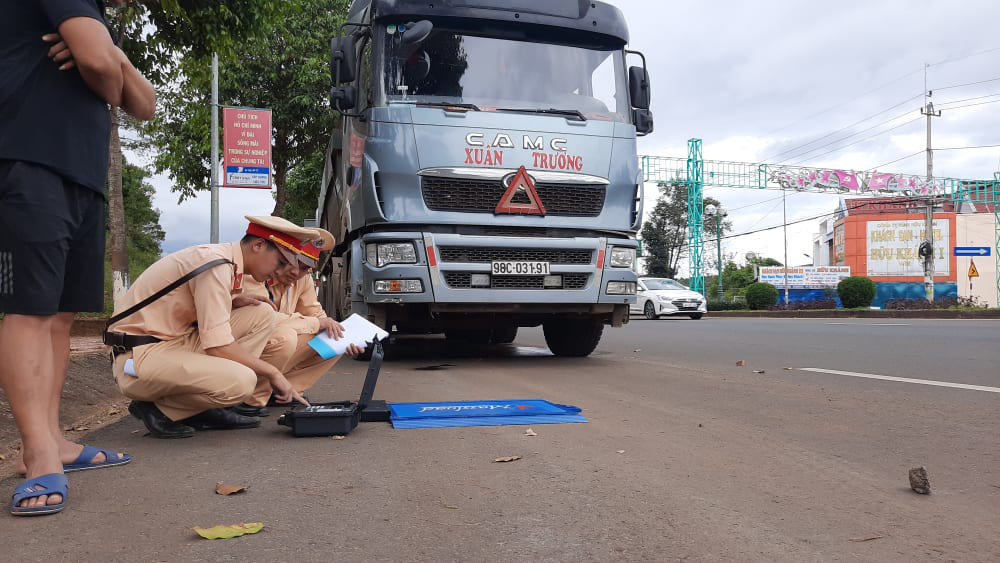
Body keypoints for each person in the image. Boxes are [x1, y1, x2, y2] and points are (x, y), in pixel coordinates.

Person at [0, 0, 155, 516]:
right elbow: (99, 70)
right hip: (28, 161)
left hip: (82, 176)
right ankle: (39, 452)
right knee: (30, 309)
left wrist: (115, 58)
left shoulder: (90, 11)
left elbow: (146, 104)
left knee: (62, 316)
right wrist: (106, 64)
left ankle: (54, 440)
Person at [107, 216, 319, 442]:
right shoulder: (216, 266)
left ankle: (202, 407)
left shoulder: (224, 261)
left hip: (167, 343)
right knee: (241, 381)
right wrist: (273, 373)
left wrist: (231, 302)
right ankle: (161, 411)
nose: (281, 271)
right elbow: (218, 346)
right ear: (258, 245)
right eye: (280, 262)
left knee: (261, 314)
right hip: (137, 358)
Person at [234, 231, 365, 417]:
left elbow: (317, 314)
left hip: (272, 348)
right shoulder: (255, 274)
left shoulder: (302, 280)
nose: (297, 272)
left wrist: (345, 336)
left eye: (305, 268)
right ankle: (249, 399)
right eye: (294, 263)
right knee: (285, 337)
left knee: (334, 338)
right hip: (244, 349)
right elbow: (268, 319)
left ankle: (285, 391)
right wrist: (316, 323)